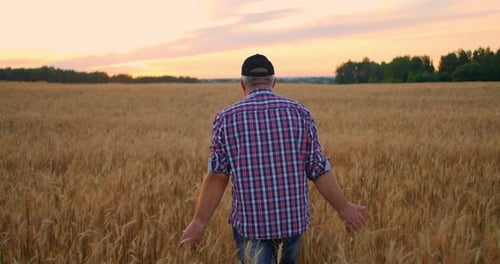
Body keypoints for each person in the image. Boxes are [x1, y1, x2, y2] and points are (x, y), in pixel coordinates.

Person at [180, 54, 366, 263]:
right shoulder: (299, 113)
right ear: (273, 81)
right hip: (292, 223)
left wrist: (199, 222)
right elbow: (318, 168)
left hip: (252, 226)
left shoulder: (226, 119)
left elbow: (217, 177)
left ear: (242, 84)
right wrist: (343, 208)